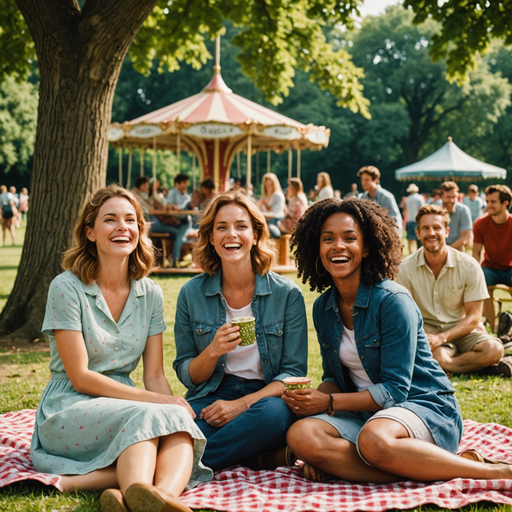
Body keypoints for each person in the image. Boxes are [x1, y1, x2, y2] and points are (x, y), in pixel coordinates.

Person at [281, 197, 512, 484]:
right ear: (318, 248)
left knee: (374, 438)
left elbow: (394, 392)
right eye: (328, 239)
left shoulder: (392, 301)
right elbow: (333, 378)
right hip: (367, 416)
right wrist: (310, 400)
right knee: (301, 436)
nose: (337, 246)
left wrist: (327, 402)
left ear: (366, 248)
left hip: (424, 409)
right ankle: (416, 467)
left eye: (349, 238)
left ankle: (492, 471)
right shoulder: (323, 307)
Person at [31, 185, 211, 512]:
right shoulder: (66, 287)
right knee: (150, 414)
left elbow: (154, 375)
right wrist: (159, 402)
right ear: (89, 232)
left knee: (175, 421)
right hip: (69, 403)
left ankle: (160, 499)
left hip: (125, 404)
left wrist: (170, 405)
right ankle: (138, 494)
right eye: (110, 220)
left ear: (139, 231)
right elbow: (81, 377)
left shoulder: (150, 292)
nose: (122, 227)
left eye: (131, 220)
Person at [173, 190, 308, 472]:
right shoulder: (191, 293)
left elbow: (292, 373)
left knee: (274, 415)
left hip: (264, 398)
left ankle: (179, 466)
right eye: (221, 227)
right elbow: (188, 373)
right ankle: (253, 457)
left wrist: (242, 404)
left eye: (241, 226)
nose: (231, 234)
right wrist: (213, 351)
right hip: (211, 393)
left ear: (256, 234)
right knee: (174, 424)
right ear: (211, 237)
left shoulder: (287, 294)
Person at [396, 204, 506, 376]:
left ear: (446, 232)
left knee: (494, 349)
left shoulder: (469, 266)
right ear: (417, 233)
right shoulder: (405, 268)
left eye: (437, 228)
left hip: (461, 328)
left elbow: (473, 317)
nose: (431, 233)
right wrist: (427, 338)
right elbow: (404, 316)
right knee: (437, 355)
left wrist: (442, 338)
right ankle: (482, 366)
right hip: (427, 330)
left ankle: (447, 366)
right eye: (425, 228)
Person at [473, 185, 512, 332]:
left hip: (510, 268)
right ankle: (495, 327)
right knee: (481, 286)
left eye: (493, 202)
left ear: (505, 203)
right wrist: (475, 274)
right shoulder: (481, 223)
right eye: (487, 201)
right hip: (490, 267)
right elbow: (476, 253)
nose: (488, 205)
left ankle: (508, 326)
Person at [357, 166, 402, 233]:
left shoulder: (387, 197)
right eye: (362, 180)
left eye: (366, 180)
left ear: (376, 180)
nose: (363, 183)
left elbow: (395, 220)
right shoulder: (362, 197)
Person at [439, 181, 472, 250]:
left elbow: (465, 236)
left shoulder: (463, 210)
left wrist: (448, 250)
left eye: (454, 197)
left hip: (457, 245)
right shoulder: (436, 210)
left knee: (463, 244)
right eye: (448, 197)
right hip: (439, 244)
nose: (451, 200)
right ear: (442, 197)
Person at [257, 173, 286, 237]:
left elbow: (276, 213)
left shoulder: (277, 195)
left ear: (274, 184)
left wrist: (260, 213)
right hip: (271, 220)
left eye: (270, 185)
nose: (268, 187)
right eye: (267, 185)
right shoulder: (267, 195)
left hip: (276, 221)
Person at [403, 183, 425, 254]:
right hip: (417, 220)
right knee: (419, 239)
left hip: (409, 220)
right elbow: (423, 209)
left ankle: (411, 254)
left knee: (410, 240)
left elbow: (405, 211)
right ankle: (420, 253)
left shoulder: (407, 199)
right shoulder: (420, 198)